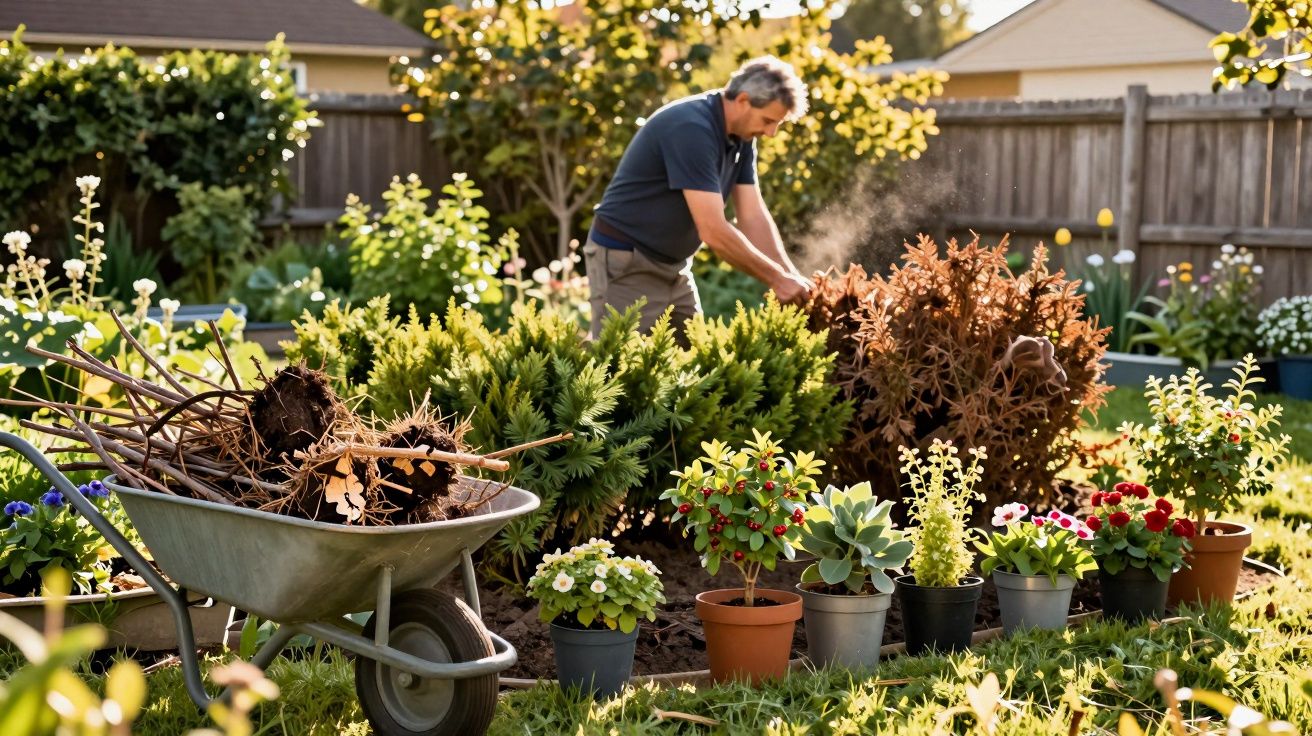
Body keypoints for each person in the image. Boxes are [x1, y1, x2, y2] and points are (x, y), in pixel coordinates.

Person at [584, 55, 814, 339]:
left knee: (693, 357)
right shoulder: (692, 128)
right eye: (768, 120)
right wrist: (777, 280)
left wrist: (791, 278)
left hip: (675, 267)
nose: (771, 132)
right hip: (628, 262)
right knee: (621, 360)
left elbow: (752, 215)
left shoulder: (742, 137)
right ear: (743, 100)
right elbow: (713, 230)